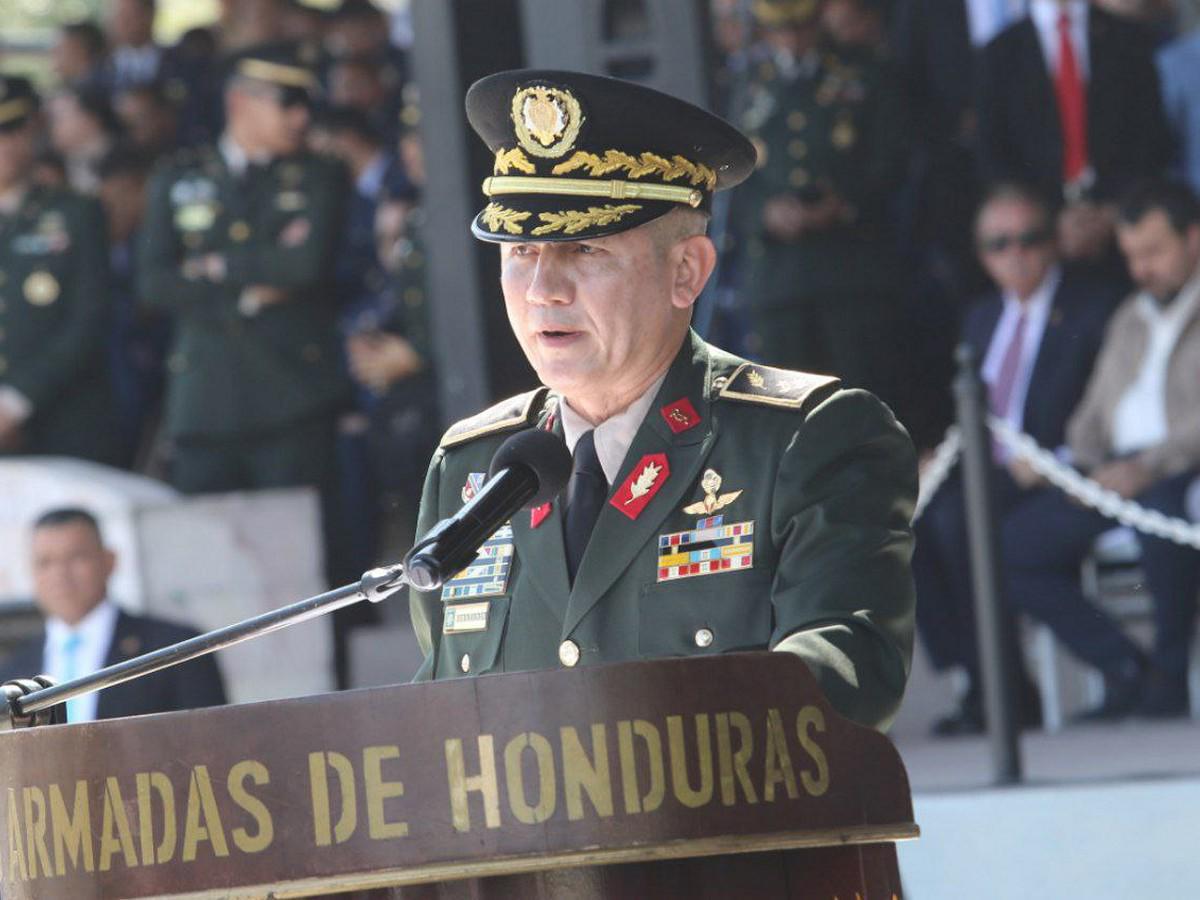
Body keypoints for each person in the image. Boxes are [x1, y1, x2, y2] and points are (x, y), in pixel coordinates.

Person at [408, 69, 917, 732]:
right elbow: (434, 720)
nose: (542, 289)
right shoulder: (471, 469)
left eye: (583, 249)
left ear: (687, 272)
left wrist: (638, 744)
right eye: (519, 251)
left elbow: (849, 672)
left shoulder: (805, 438)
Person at [914, 182, 1121, 735]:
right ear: (982, 255)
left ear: (1053, 242)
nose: (1017, 254)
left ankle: (1001, 693)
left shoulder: (1091, 306)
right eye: (1000, 244)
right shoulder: (981, 316)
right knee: (906, 522)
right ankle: (981, 680)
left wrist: (1056, 455)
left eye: (1029, 239)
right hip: (990, 468)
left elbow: (1106, 406)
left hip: (1055, 468)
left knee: (957, 523)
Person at [1003, 178, 1200, 719]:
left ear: (1194, 239)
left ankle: (1170, 678)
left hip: (1179, 469)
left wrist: (1146, 466)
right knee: (1015, 545)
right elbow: (1091, 415)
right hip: (1115, 474)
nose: (1142, 269)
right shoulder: (1129, 316)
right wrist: (1072, 467)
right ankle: (1126, 670)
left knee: (1162, 513)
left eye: (1155, 252)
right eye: (1133, 255)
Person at [137, 42, 348, 496]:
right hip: (205, 399)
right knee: (209, 549)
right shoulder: (178, 177)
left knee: (297, 551)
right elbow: (153, 282)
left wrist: (214, 265)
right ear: (240, 102)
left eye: (307, 105)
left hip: (292, 394)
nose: (301, 118)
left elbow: (303, 265)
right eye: (288, 103)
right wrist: (246, 294)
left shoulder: (318, 175)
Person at [729, 0, 910, 413]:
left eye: (802, 27)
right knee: (784, 416)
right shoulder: (746, 83)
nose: (792, 41)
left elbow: (892, 158)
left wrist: (845, 203)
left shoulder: (862, 72)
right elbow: (722, 174)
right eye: (781, 30)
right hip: (778, 280)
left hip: (849, 271)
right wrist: (765, 213)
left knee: (860, 405)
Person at [975, 0, 1173, 272]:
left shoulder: (1129, 38)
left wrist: (1113, 211)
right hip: (1043, 241)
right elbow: (994, 152)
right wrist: (1051, 218)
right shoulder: (1000, 52)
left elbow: (1152, 140)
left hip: (1124, 234)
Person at [0, 508, 226, 722]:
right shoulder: (11, 672)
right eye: (45, 563)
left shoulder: (178, 648)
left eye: (76, 557)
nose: (60, 574)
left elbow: (210, 742)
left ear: (109, 561)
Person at [0, 76, 121, 465]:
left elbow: (90, 317)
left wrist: (15, 402)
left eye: (11, 131)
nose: (4, 146)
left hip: (64, 421)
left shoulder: (76, 213)